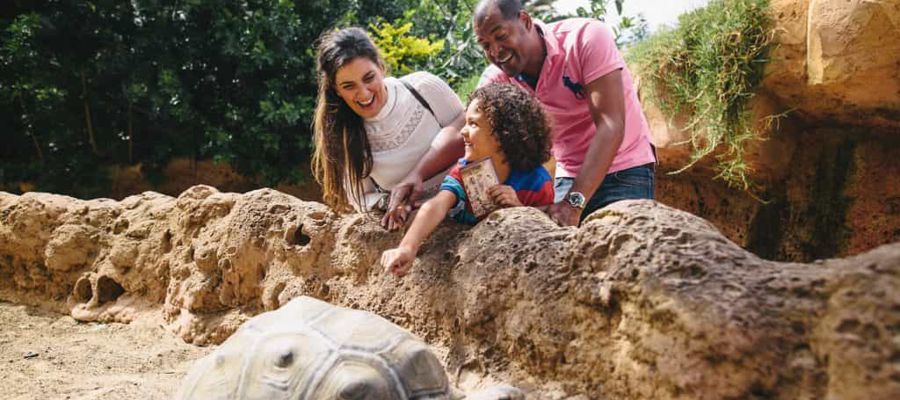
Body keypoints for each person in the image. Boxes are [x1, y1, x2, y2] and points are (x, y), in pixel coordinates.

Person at [469, 0, 657, 226]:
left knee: (623, 250)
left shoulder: (586, 38)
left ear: (525, 21)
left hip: (625, 167)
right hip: (569, 176)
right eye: (485, 45)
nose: (495, 51)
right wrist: (422, 177)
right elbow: (469, 128)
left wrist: (573, 203)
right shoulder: (498, 78)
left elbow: (611, 124)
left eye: (500, 36)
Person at [381, 83, 554, 277]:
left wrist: (519, 208)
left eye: (473, 124)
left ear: (503, 134)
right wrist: (407, 248)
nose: (462, 131)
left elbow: (548, 225)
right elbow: (437, 205)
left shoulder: (537, 182)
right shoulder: (465, 170)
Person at [311, 27, 465, 229]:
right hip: (423, 231)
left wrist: (417, 176)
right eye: (349, 86)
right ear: (336, 90)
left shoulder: (424, 89)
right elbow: (360, 198)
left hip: (470, 206)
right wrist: (393, 202)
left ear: (381, 67)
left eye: (369, 78)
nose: (364, 94)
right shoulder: (346, 134)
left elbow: (468, 133)